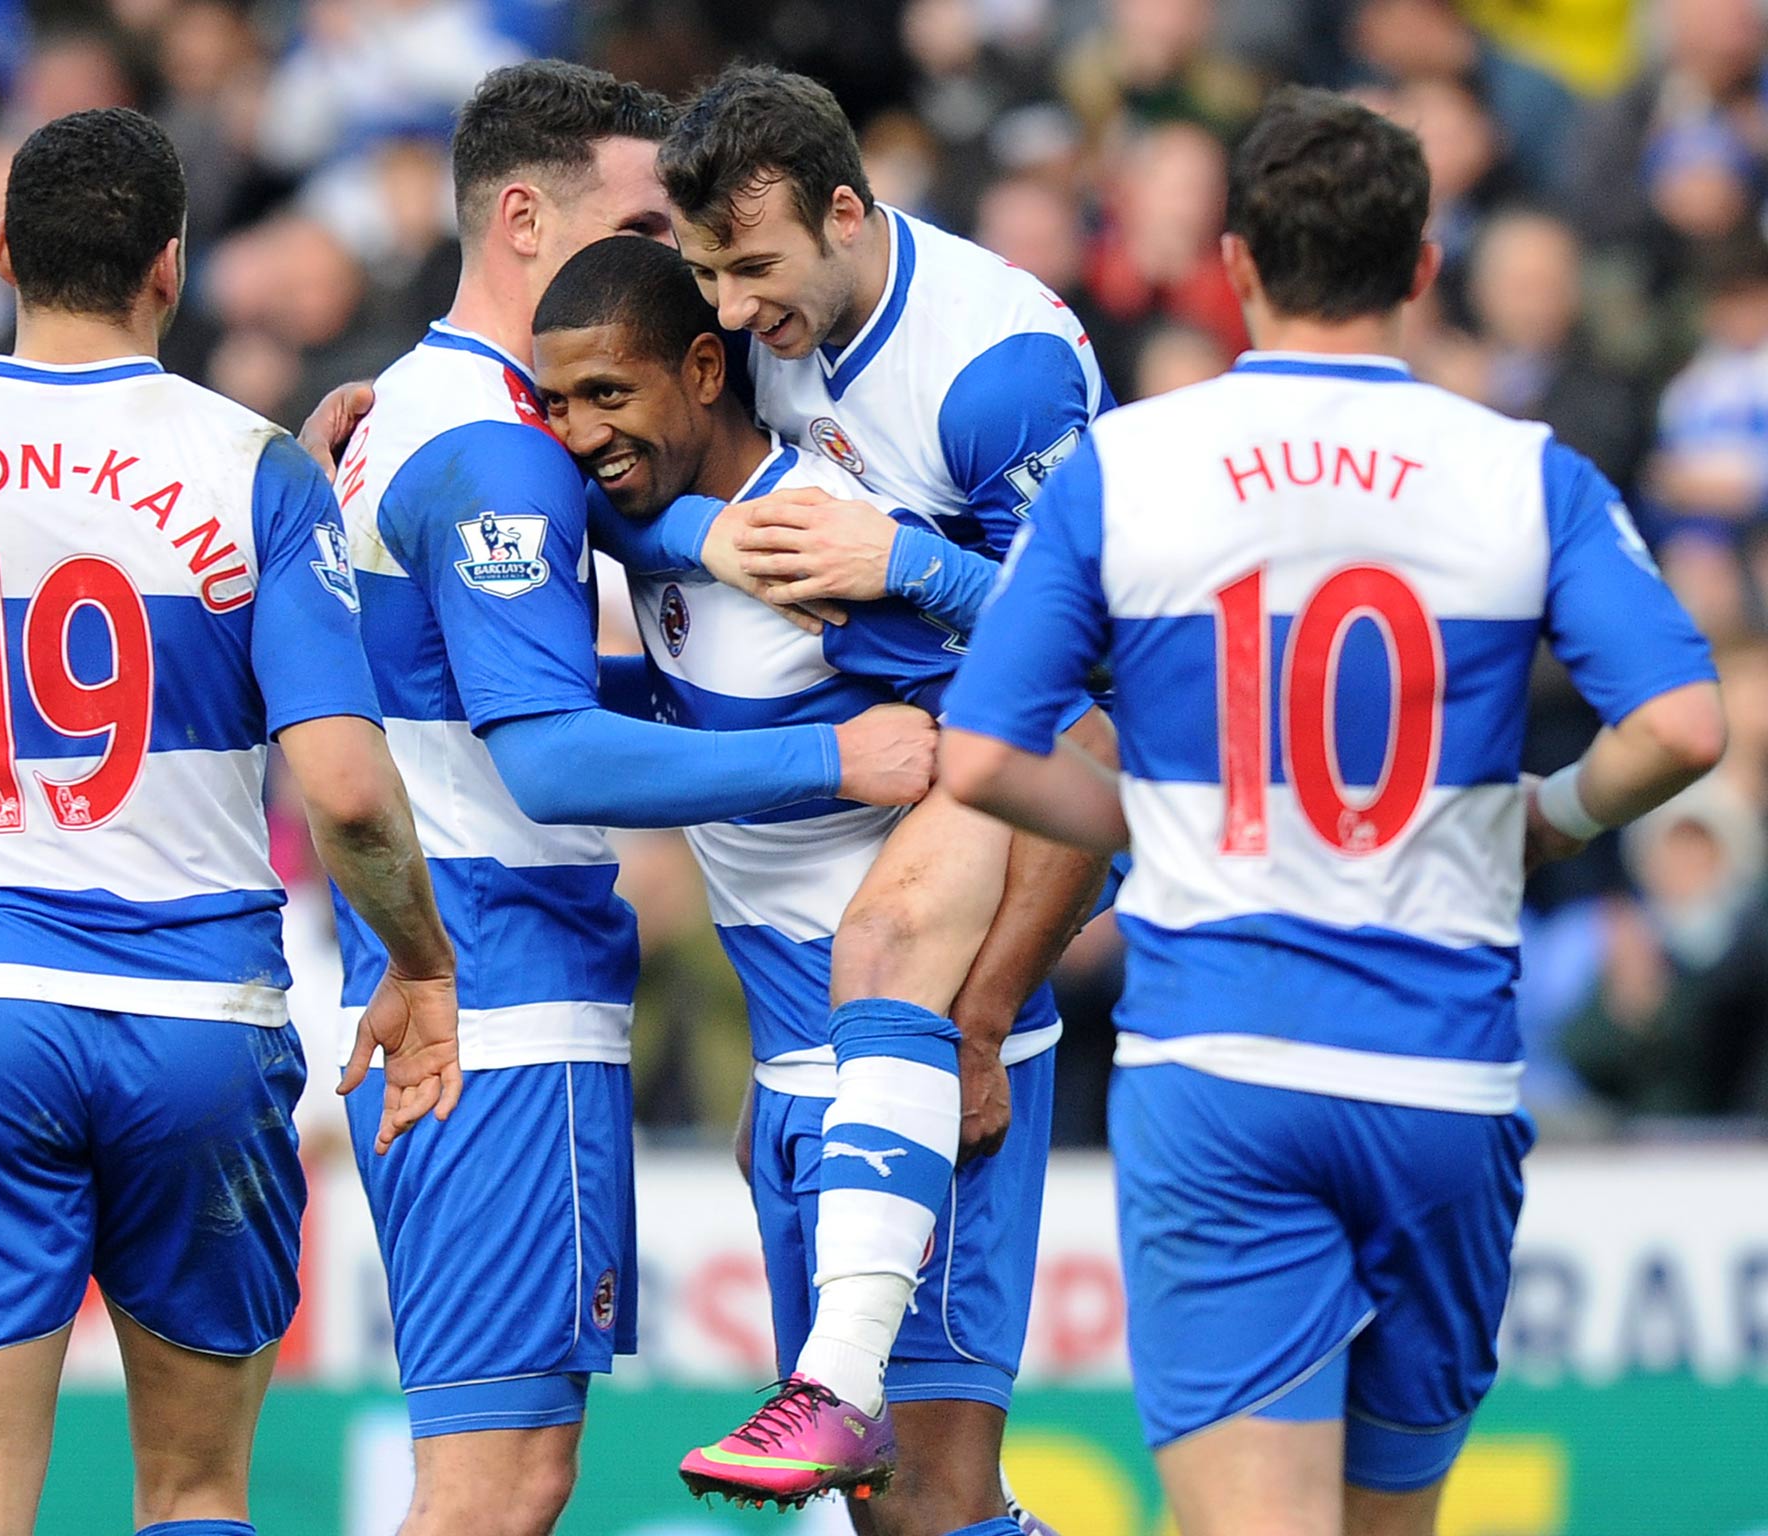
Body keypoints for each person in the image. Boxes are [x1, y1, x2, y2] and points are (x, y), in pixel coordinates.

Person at [939, 87, 1726, 1536]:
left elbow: (983, 758)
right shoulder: (1522, 471)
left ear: (1236, 264)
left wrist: (1161, 823)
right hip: (1442, 1081)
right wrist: (1547, 812)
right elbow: (1684, 726)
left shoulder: (1133, 465)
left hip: (1225, 1066)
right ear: (1425, 269)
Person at [0, 107, 459, 1536]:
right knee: (197, 1493)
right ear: (171, 264)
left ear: (5, 250)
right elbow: (344, 793)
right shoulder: (252, 465)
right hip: (200, 1027)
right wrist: (422, 962)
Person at [321, 63, 937, 1536]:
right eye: (653, 223)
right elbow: (547, 757)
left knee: (502, 1474)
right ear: (526, 219)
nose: (688, 277)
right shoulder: (491, 452)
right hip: (502, 1002)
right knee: (498, 1485)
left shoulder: (406, 413)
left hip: (461, 986)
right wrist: (836, 760)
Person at [599, 63, 1116, 1502]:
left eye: (755, 267)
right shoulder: (749, 328)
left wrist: (912, 569)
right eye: (706, 274)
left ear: (846, 209)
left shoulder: (990, 373)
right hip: (817, 984)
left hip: (1027, 783)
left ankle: (835, 1383)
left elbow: (1117, 649)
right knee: (904, 1518)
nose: (732, 309)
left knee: (927, 1490)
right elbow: (614, 441)